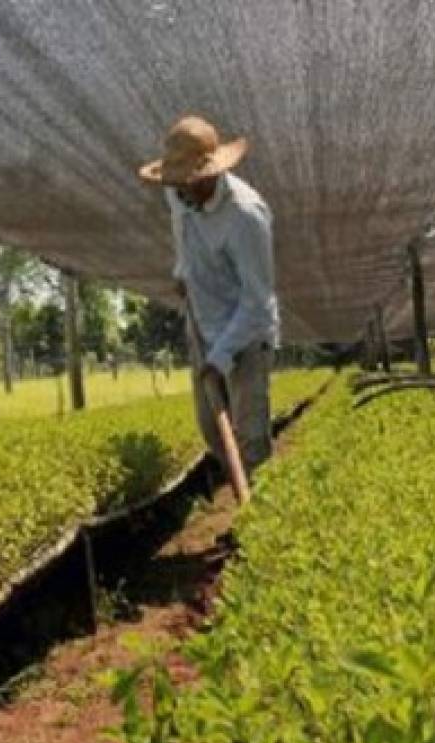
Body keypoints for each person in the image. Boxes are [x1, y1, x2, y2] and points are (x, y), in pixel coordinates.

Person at [139, 115, 280, 474]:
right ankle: (238, 491)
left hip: (246, 335)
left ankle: (262, 519)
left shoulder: (245, 217)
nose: (177, 190)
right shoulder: (178, 192)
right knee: (213, 431)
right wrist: (182, 272)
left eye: (185, 182)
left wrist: (221, 358)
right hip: (202, 319)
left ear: (209, 175)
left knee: (250, 439)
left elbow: (257, 303)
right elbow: (182, 230)